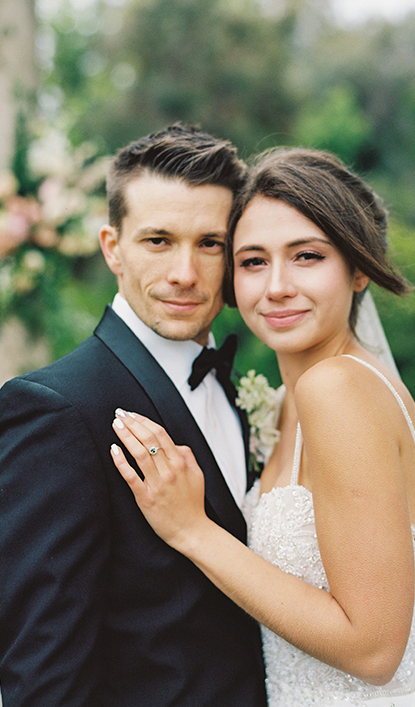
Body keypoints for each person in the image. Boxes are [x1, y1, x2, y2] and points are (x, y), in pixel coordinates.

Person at [110, 147, 415, 706]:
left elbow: (374, 652)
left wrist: (193, 531)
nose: (276, 286)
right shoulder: (286, 404)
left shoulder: (339, 391)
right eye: (254, 261)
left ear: (358, 269)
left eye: (306, 256)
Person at [0, 124, 268, 707]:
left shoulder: (248, 392)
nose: (185, 273)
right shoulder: (55, 409)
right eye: (157, 241)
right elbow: (43, 677)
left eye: (210, 243)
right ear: (112, 247)